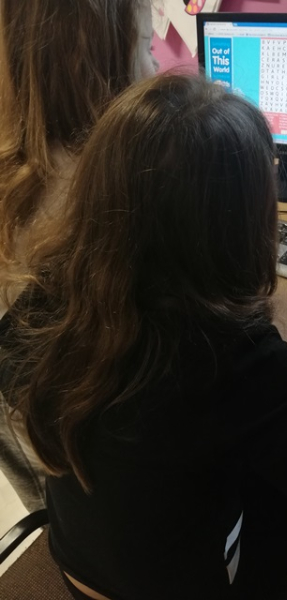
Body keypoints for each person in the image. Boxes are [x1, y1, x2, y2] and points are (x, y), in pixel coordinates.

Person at [0, 73, 287, 600]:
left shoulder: (43, 295)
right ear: (246, 218)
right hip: (185, 585)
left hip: (76, 563)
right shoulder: (228, 355)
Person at [0, 0, 159, 512]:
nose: (157, 69)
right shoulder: (110, 198)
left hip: (42, 467)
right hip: (106, 479)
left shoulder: (18, 164)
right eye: (147, 48)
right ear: (90, 59)